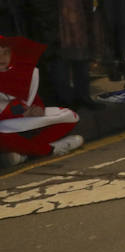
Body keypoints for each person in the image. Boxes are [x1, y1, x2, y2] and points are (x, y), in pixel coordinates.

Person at [0, 35, 83, 165]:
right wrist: (20, 111)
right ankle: (51, 149)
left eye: (6, 53)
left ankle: (24, 154)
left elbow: (33, 99)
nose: (2, 58)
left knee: (69, 116)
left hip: (22, 123)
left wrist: (37, 109)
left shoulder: (21, 73)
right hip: (4, 127)